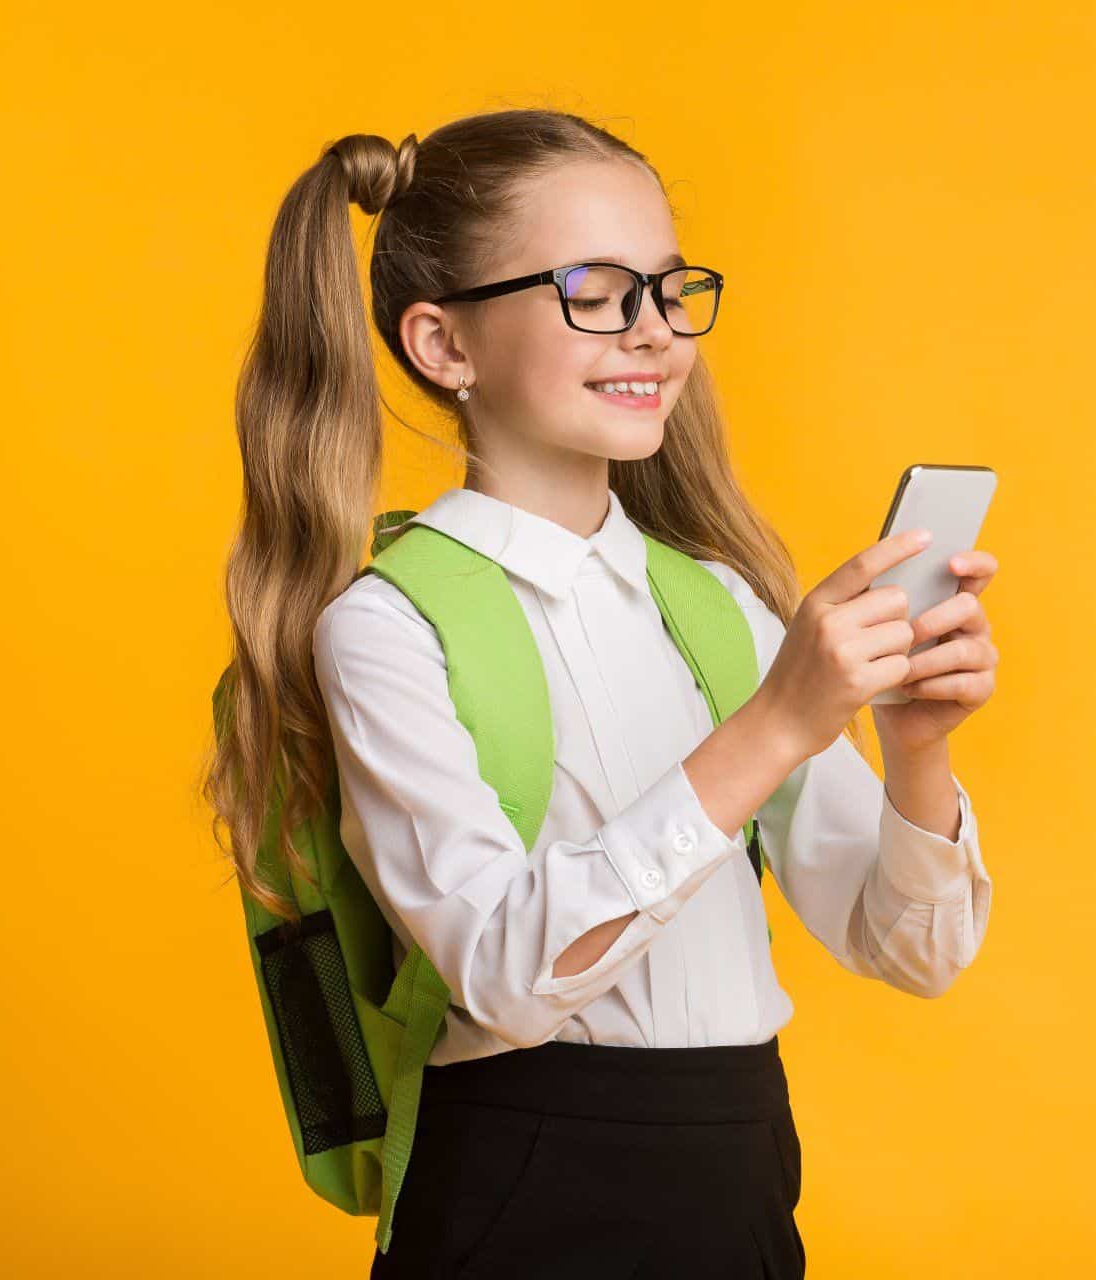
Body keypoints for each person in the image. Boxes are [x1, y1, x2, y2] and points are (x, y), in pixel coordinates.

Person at [207, 107, 999, 1278]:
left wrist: (917, 750)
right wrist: (777, 723)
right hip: (522, 1179)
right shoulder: (386, 626)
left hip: (737, 1167)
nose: (654, 334)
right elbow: (507, 975)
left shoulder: (723, 606)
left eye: (671, 291)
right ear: (443, 345)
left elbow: (910, 949)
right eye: (596, 290)